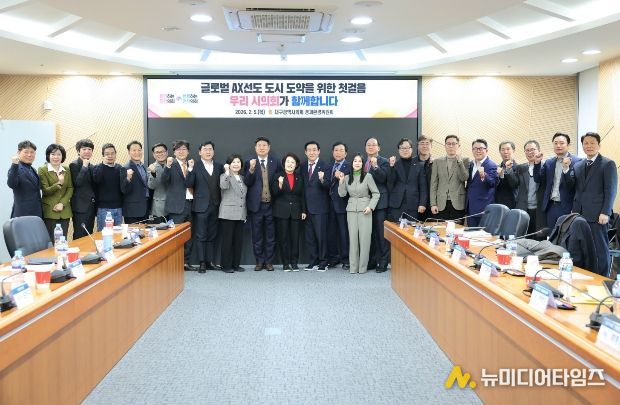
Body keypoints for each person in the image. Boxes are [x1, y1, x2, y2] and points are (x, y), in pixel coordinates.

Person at [570, 132, 617, 276]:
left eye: (592, 143)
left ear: (599, 145)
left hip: (598, 214)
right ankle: (586, 275)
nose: (589, 146)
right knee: (582, 248)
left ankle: (602, 278)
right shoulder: (578, 165)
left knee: (599, 249)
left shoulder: (607, 164)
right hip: (579, 214)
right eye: (586, 143)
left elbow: (611, 190)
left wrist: (605, 212)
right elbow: (574, 188)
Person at [337, 154, 380, 274]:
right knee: (353, 239)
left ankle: (362, 268)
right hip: (351, 210)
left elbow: (376, 193)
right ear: (352, 163)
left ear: (362, 164)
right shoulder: (347, 177)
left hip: (365, 210)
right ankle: (353, 267)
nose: (357, 163)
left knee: (365, 239)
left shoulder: (368, 176)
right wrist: (341, 182)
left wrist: (370, 207)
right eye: (355, 161)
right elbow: (342, 194)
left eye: (359, 161)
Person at [244, 137, 282, 271]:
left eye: (264, 145)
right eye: (259, 145)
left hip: (272, 204)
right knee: (257, 236)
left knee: (271, 236)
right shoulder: (249, 162)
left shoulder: (275, 162)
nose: (261, 148)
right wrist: (251, 169)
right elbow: (247, 182)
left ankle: (269, 262)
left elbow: (279, 180)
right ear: (255, 148)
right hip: (256, 205)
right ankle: (259, 261)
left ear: (269, 147)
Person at [186, 141, 224, 273]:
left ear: (213, 151)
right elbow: (188, 183)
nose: (208, 151)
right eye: (205, 149)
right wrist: (190, 169)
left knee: (212, 235)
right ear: (199, 152)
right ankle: (202, 262)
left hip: (216, 205)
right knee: (201, 235)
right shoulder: (195, 166)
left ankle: (210, 262)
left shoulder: (219, 166)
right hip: (200, 206)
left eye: (210, 149)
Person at [533, 132, 581, 228]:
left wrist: (566, 169)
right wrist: (537, 163)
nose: (558, 146)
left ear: (568, 145)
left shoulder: (577, 162)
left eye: (561, 143)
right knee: (551, 234)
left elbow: (575, 185)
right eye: (555, 143)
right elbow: (538, 179)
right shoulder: (549, 162)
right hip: (550, 206)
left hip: (567, 207)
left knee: (565, 235)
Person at [161, 140, 194, 270]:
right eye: (178, 149)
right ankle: (175, 264)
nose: (181, 151)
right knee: (175, 237)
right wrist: (167, 167)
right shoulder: (171, 165)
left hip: (191, 204)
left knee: (188, 236)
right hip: (176, 206)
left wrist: (191, 169)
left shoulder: (191, 165)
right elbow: (163, 180)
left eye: (184, 149)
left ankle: (186, 262)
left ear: (188, 152)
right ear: (174, 152)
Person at [271, 153, 306, 271]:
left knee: (295, 239)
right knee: (283, 238)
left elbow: (302, 195)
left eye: (292, 162)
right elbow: (274, 193)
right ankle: (285, 263)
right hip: (281, 211)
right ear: (284, 163)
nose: (290, 164)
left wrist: (303, 210)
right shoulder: (277, 176)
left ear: (296, 165)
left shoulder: (299, 177)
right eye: (288, 162)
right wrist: (280, 184)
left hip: (296, 211)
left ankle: (294, 263)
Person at [300, 141, 331, 271]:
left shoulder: (325, 166)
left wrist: (322, 179)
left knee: (321, 236)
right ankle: (313, 261)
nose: (311, 152)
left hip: (320, 208)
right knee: (310, 237)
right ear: (305, 152)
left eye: (314, 150)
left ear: (319, 151)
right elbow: (302, 188)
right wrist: (303, 208)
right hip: (306, 208)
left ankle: (323, 262)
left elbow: (329, 186)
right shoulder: (302, 166)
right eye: (309, 150)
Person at [505, 140, 545, 234]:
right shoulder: (521, 167)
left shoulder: (545, 166)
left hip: (539, 209)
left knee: (538, 236)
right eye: (527, 150)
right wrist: (509, 170)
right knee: (523, 235)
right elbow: (514, 184)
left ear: (539, 150)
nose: (530, 152)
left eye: (533, 149)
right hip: (523, 207)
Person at [364, 137, 390, 272]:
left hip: (380, 203)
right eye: (368, 145)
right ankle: (372, 260)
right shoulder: (362, 162)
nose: (371, 147)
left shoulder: (384, 161)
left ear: (378, 148)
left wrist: (375, 166)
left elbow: (383, 178)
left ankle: (383, 262)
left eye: (373, 145)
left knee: (380, 234)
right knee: (369, 233)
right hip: (365, 203)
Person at [429, 135, 470, 223]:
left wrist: (459, 162)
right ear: (445, 145)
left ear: (458, 145)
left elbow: (464, 178)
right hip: (441, 203)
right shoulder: (437, 161)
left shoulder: (465, 160)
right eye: (448, 144)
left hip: (458, 203)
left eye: (454, 144)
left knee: (457, 229)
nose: (451, 146)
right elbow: (434, 184)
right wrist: (433, 204)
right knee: (441, 229)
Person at [387, 137, 428, 222]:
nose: (405, 150)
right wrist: (391, 167)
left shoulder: (419, 165)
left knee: (411, 229)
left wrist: (422, 204)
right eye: (402, 148)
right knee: (395, 229)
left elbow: (423, 186)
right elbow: (390, 183)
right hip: (396, 205)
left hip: (413, 205)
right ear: (399, 150)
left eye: (407, 148)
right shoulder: (394, 164)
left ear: (411, 149)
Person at [38, 143, 73, 240]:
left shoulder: (66, 169)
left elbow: (70, 188)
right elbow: (46, 191)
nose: (56, 157)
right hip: (50, 210)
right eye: (53, 154)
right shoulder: (42, 170)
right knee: (52, 240)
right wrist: (59, 183)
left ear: (62, 156)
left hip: (64, 210)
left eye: (59, 154)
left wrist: (62, 203)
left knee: (63, 240)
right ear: (48, 156)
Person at [219, 154, 247, 273]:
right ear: (229, 164)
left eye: (238, 162)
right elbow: (223, 186)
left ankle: (236, 265)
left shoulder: (242, 177)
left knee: (238, 241)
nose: (236, 164)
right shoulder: (224, 176)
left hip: (241, 213)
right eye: (233, 162)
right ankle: (225, 266)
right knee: (227, 241)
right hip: (228, 213)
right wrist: (226, 172)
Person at [327, 142, 350, 269]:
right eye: (336, 150)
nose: (338, 152)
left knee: (344, 233)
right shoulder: (329, 165)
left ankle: (346, 259)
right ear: (332, 152)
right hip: (329, 204)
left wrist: (341, 177)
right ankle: (333, 257)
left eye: (341, 150)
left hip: (343, 204)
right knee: (331, 233)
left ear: (345, 153)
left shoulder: (350, 166)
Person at [466, 139, 498, 227]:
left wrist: (484, 175)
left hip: (483, 209)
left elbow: (493, 183)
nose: (478, 151)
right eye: (475, 148)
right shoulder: (470, 164)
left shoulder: (491, 165)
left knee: (482, 235)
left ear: (486, 150)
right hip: (470, 208)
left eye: (480, 148)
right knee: (471, 234)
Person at [7, 140, 42, 219]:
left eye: (32, 152)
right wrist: (14, 164)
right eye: (26, 152)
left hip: (36, 213)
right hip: (23, 214)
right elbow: (12, 184)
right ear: (18, 152)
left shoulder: (32, 169)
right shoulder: (15, 168)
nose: (29, 155)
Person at [70, 139, 96, 239]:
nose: (87, 151)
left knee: (89, 234)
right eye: (84, 149)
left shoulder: (92, 166)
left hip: (91, 206)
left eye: (89, 149)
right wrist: (84, 167)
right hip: (80, 207)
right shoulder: (74, 164)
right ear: (78, 151)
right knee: (79, 234)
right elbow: (77, 183)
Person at [93, 143, 123, 230]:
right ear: (103, 155)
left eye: (112, 153)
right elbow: (96, 180)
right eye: (107, 154)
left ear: (115, 154)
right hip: (103, 209)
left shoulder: (119, 168)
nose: (110, 156)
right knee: (104, 234)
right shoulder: (98, 167)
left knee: (118, 234)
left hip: (118, 208)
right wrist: (103, 165)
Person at [121, 140, 149, 224]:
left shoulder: (144, 166)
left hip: (145, 208)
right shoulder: (125, 168)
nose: (137, 152)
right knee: (132, 232)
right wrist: (128, 178)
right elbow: (123, 190)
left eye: (139, 150)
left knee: (145, 232)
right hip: (132, 210)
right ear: (129, 152)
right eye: (134, 150)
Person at [147, 143, 169, 222]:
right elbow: (151, 186)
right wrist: (153, 173)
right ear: (153, 154)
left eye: (162, 151)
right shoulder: (151, 167)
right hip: (159, 207)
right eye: (157, 152)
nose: (160, 154)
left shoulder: (173, 165)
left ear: (167, 152)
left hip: (174, 205)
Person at [414, 135, 433, 220]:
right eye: (422, 143)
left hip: (433, 205)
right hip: (415, 205)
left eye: (427, 143)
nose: (424, 146)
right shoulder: (411, 162)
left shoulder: (437, 162)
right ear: (418, 146)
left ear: (431, 146)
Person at [495, 141, 518, 209]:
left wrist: (508, 170)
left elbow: (514, 184)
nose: (505, 152)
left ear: (513, 150)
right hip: (498, 204)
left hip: (513, 205)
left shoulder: (519, 167)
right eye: (503, 149)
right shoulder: (497, 168)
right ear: (500, 152)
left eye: (508, 149)